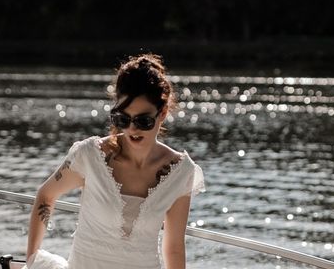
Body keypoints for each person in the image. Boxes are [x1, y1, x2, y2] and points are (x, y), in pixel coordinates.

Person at [25, 54, 204, 269]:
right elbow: (46, 195)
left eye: (143, 120)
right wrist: (31, 260)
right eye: (123, 119)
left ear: (163, 113)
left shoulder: (180, 172)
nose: (132, 129)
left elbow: (174, 247)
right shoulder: (90, 155)